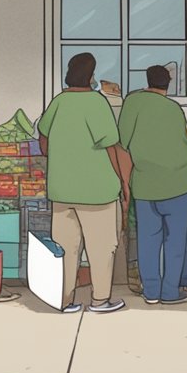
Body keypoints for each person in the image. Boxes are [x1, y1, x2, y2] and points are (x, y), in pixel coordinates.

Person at [38, 53, 130, 314]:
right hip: (97, 191)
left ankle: (65, 301)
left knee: (66, 249)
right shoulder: (96, 103)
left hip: (62, 190)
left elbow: (43, 140)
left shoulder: (59, 102)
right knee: (101, 248)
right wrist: (122, 182)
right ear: (91, 76)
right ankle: (100, 300)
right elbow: (111, 146)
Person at [120, 65, 187, 305]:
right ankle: (170, 291)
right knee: (175, 240)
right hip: (177, 183)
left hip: (144, 183)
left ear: (147, 81)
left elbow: (122, 141)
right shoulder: (174, 109)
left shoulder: (132, 103)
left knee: (147, 238)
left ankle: (151, 291)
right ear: (168, 84)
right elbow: (185, 143)